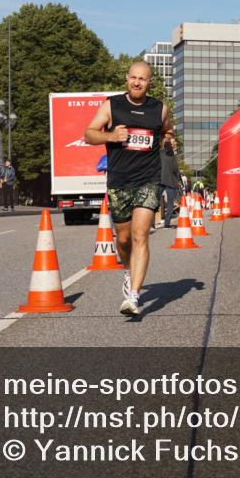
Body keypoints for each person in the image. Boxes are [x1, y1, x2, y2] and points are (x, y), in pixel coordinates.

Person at [84, 61, 175, 316]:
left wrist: (169, 141)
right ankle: (128, 271)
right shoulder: (112, 105)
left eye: (142, 79)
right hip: (119, 181)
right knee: (123, 240)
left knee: (140, 235)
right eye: (133, 78)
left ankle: (134, 296)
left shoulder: (159, 109)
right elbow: (89, 134)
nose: (137, 82)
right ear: (127, 79)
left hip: (148, 179)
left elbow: (167, 132)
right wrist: (111, 136)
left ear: (150, 82)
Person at [159, 138, 181, 230]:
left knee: (154, 202)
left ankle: (150, 224)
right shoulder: (172, 155)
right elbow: (175, 169)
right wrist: (178, 180)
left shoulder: (159, 153)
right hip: (171, 181)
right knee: (170, 204)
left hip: (159, 180)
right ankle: (167, 224)